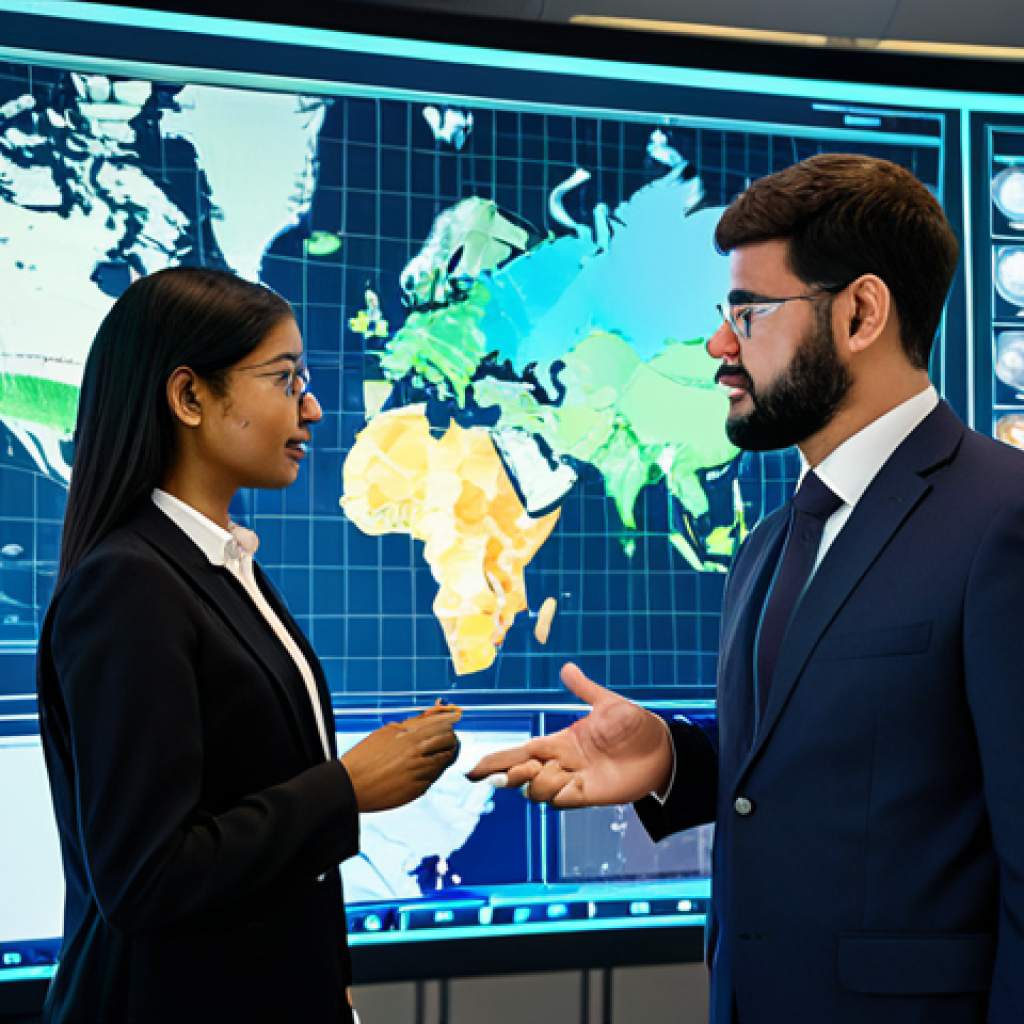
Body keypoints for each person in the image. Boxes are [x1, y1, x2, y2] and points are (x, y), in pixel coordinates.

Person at [471, 153, 1024, 1023]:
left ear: (860, 313)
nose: (718, 347)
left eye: (747, 313)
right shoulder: (771, 542)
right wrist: (672, 759)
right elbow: (840, 759)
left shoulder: (1005, 518)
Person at [37, 267, 462, 1023]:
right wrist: (348, 787)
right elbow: (145, 876)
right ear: (190, 397)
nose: (314, 408)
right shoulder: (129, 585)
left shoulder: (219, 564)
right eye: (285, 379)